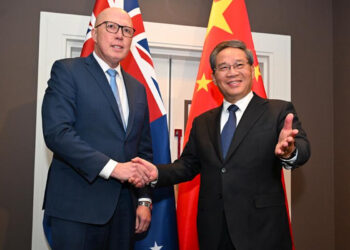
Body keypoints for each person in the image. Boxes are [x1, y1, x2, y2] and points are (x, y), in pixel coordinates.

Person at [133, 40, 311, 250]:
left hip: (263, 231)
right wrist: (157, 173)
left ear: (252, 70)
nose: (232, 72)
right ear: (214, 78)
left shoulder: (277, 111)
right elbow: (188, 165)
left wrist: (289, 151)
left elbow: (303, 148)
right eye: (223, 67)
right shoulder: (202, 122)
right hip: (214, 232)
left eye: (239, 65)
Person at [42, 7, 153, 250]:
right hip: (77, 208)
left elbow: (143, 150)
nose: (119, 35)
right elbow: (57, 133)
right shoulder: (67, 71)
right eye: (111, 27)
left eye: (126, 30)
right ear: (94, 34)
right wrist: (114, 168)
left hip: (125, 212)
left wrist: (144, 199)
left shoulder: (138, 89)